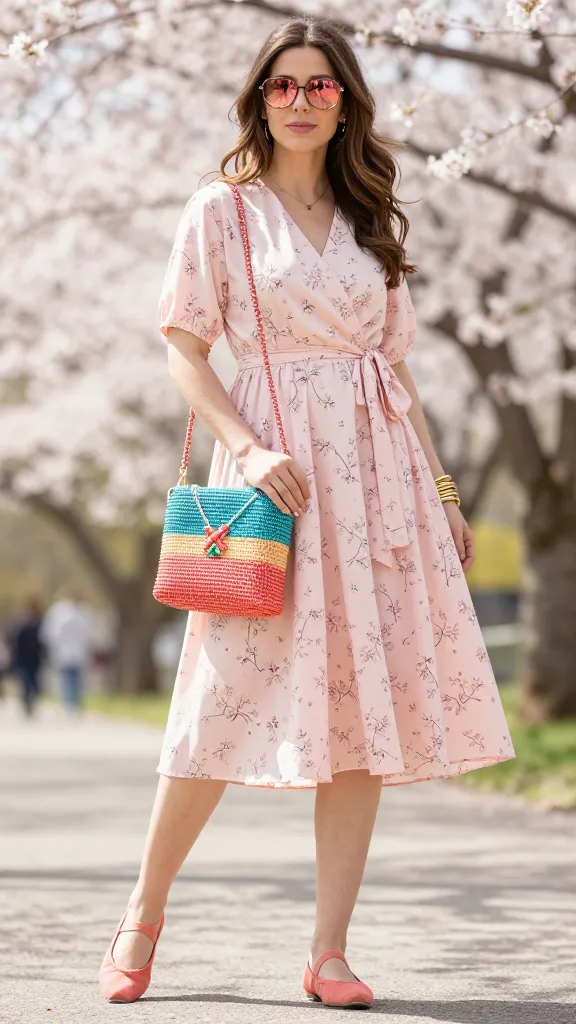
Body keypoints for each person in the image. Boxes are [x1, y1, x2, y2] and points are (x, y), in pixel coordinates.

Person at [99, 17, 515, 1007]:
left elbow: (396, 368)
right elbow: (185, 348)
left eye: (319, 86)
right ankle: (142, 913)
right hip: (276, 484)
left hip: (381, 486)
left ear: (346, 101)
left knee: (360, 717)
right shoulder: (224, 211)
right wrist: (247, 447)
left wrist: (444, 487)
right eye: (282, 85)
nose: (298, 100)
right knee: (217, 704)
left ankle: (329, 949)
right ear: (259, 96)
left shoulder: (373, 213)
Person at [40, 590, 94, 711]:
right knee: (71, 678)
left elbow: (49, 634)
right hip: (68, 651)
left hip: (71, 651)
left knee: (71, 678)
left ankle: (71, 701)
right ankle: (71, 701)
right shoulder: (60, 611)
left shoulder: (79, 612)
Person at [9, 597, 45, 716]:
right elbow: (15, 642)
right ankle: (27, 700)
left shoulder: (39, 625)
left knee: (33, 681)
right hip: (23, 658)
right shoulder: (21, 625)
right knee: (26, 680)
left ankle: (31, 699)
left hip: (35, 658)